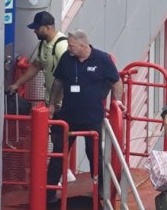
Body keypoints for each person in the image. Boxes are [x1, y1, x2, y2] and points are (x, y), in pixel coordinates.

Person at [46, 30, 122, 198]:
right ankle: (49, 191)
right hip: (68, 116)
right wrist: (52, 104)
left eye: (72, 45)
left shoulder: (102, 59)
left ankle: (103, 190)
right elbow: (58, 81)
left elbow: (116, 82)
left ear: (83, 45)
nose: (69, 48)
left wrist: (117, 102)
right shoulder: (67, 58)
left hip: (92, 117)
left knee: (95, 155)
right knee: (59, 152)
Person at [8, 11, 68, 105]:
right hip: (50, 101)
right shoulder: (43, 44)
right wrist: (16, 84)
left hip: (61, 104)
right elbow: (36, 67)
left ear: (48, 28)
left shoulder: (62, 46)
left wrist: (55, 103)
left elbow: (67, 77)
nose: (34, 31)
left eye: (37, 28)